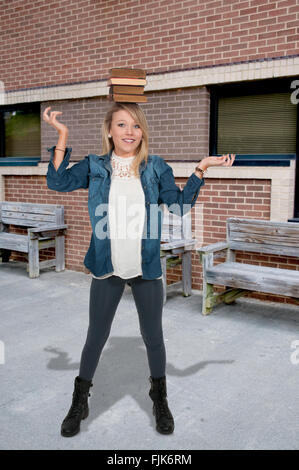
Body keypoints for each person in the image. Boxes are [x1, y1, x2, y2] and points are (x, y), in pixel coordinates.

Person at [43, 102, 235, 437]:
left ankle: (159, 397)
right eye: (121, 125)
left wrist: (201, 168)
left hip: (145, 268)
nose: (129, 132)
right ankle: (80, 400)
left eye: (136, 125)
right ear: (109, 130)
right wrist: (62, 134)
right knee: (95, 338)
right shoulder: (95, 166)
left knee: (154, 338)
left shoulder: (154, 167)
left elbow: (179, 206)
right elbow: (57, 182)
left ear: (142, 131)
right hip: (108, 267)